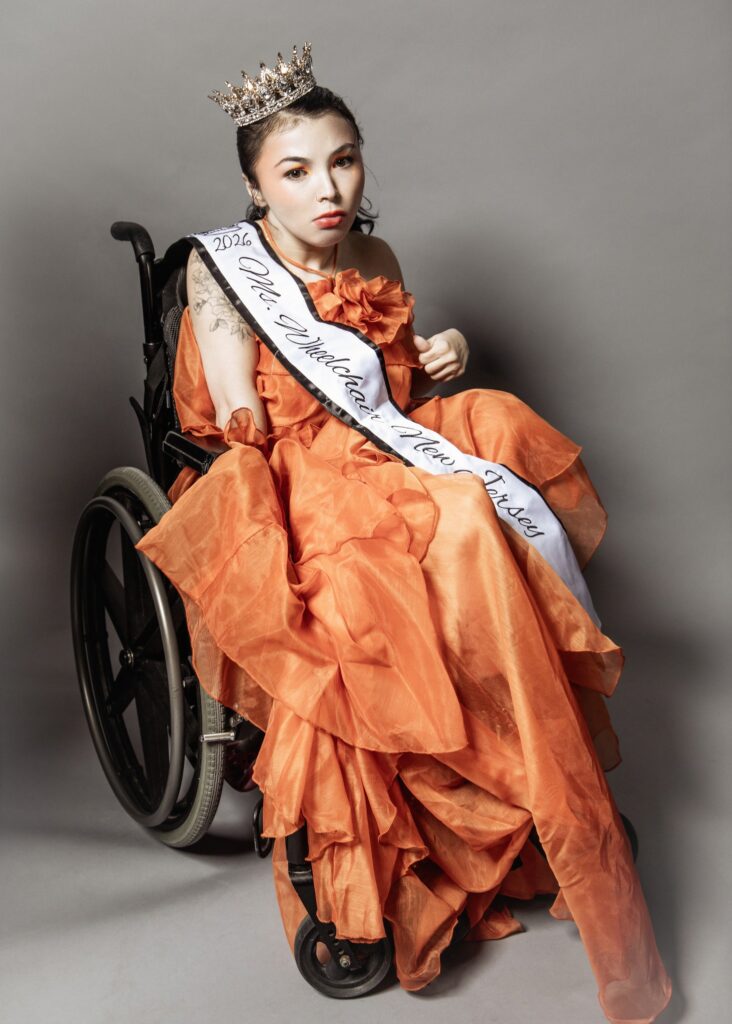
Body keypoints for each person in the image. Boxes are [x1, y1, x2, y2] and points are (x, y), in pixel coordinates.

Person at [135, 44, 672, 1023]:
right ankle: (445, 817)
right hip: (289, 471)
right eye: (296, 171)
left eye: (344, 159)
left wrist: (447, 352)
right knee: (459, 517)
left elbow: (400, 394)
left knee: (497, 430)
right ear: (255, 184)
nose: (327, 187)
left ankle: (528, 794)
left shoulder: (374, 258)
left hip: (390, 450)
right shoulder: (227, 277)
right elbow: (232, 416)